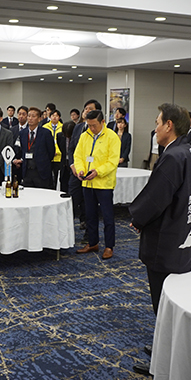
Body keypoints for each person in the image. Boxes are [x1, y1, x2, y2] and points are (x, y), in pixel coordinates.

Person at [129, 103, 191, 377]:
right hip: (183, 234)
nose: (155, 127)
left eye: (158, 122)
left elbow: (157, 196)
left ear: (169, 125)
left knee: (163, 301)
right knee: (172, 300)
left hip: (165, 239)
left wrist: (137, 218)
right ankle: (164, 346)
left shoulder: (172, 156)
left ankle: (165, 361)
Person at [74, 110, 120, 260]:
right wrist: (81, 171)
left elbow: (112, 162)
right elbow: (78, 156)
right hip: (87, 183)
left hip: (104, 184)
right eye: (89, 125)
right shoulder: (84, 136)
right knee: (90, 215)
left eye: (94, 125)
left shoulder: (112, 137)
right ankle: (93, 243)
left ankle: (109, 246)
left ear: (102, 122)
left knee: (107, 216)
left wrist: (98, 171)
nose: (91, 128)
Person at [69, 99, 101, 236]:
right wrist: (72, 165)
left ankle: (90, 233)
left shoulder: (101, 131)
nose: (86, 111)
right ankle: (67, 231)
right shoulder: (77, 127)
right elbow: (71, 149)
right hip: (76, 172)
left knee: (90, 205)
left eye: (90, 109)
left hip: (92, 174)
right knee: (71, 200)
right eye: (85, 109)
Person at [17, 107, 55, 189]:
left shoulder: (46, 133)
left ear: (39, 119)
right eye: (29, 116)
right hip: (27, 171)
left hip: (41, 171)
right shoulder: (22, 133)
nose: (30, 118)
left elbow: (51, 152)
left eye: (33, 116)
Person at [43, 109, 63, 188]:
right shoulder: (45, 127)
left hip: (58, 156)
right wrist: (50, 151)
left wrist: (56, 151)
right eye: (53, 115)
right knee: (48, 177)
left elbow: (62, 143)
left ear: (59, 117)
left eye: (56, 116)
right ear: (50, 117)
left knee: (58, 178)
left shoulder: (62, 127)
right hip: (48, 156)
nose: (54, 117)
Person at [11, 105, 28, 183]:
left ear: (27, 116)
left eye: (24, 114)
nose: (21, 116)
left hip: (26, 162)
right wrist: (14, 159)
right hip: (13, 162)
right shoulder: (12, 130)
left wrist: (21, 160)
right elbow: (9, 145)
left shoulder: (30, 129)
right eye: (19, 114)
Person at [59, 121, 75, 193]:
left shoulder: (77, 137)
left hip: (74, 165)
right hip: (64, 163)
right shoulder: (60, 136)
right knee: (63, 184)